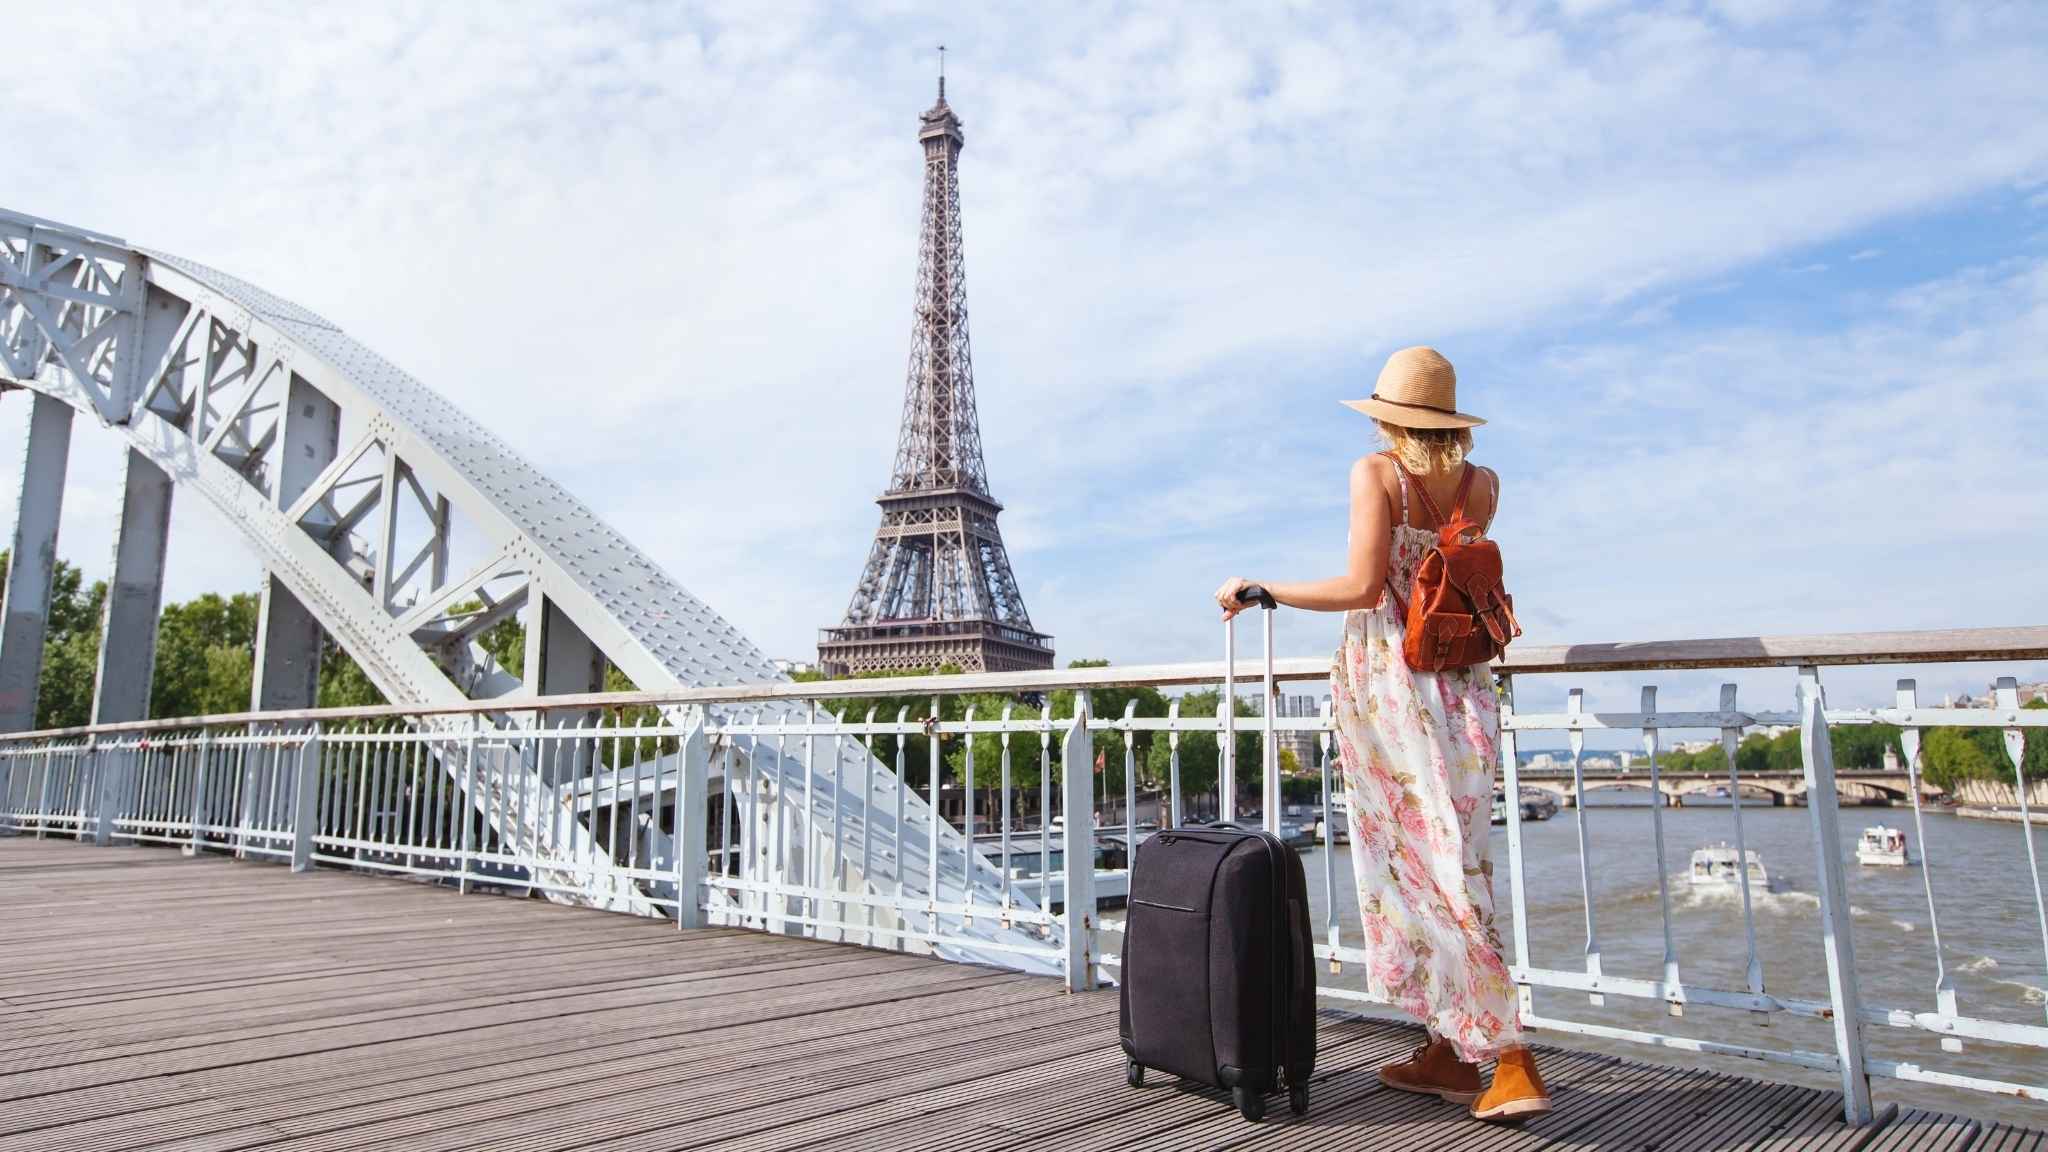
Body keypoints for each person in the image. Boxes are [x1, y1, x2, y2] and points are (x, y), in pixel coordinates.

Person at [1212, 346, 1550, 1122]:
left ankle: (1508, 1055)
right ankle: (1448, 1051)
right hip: (1463, 691)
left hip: (1394, 690)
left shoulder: (1377, 475)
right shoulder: (1484, 486)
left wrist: (1265, 588)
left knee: (1421, 874)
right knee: (1454, 865)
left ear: (1387, 417)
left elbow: (1364, 586)